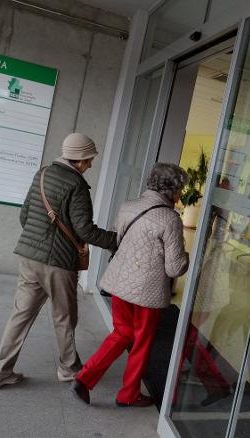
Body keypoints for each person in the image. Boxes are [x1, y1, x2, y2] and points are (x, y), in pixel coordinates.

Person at [0, 133, 117, 390]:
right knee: (64, 317)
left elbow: (25, 216)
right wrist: (118, 240)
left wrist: (40, 241)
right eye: (89, 160)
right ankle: (68, 369)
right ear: (80, 160)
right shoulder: (76, 185)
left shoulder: (43, 174)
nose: (90, 164)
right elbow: (85, 231)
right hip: (58, 264)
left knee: (21, 315)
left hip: (29, 257)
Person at [71, 163, 189, 407]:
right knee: (142, 342)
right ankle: (128, 394)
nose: (180, 194)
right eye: (180, 189)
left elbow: (116, 239)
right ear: (172, 189)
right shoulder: (170, 219)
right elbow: (174, 268)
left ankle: (85, 377)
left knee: (122, 333)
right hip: (148, 292)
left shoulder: (128, 206)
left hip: (120, 284)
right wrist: (188, 256)